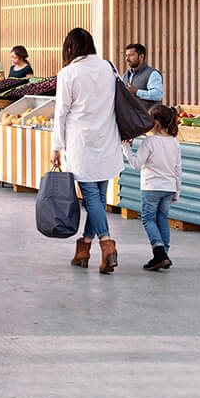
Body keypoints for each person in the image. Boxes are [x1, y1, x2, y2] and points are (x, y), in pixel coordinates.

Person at [51, 27, 122, 273]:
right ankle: (84, 249)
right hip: (108, 138)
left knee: (92, 198)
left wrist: (57, 146)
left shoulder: (69, 73)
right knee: (98, 199)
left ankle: (107, 244)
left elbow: (61, 113)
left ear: (69, 49)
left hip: (81, 142)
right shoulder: (109, 68)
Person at [126, 103, 183, 272]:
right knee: (162, 219)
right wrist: (177, 191)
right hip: (169, 187)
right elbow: (178, 169)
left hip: (152, 187)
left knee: (148, 219)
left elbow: (136, 164)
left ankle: (159, 253)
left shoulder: (150, 141)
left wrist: (125, 147)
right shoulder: (174, 142)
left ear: (156, 122)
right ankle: (164, 253)